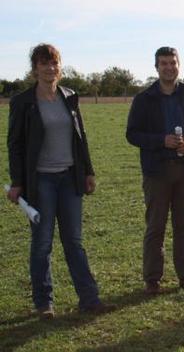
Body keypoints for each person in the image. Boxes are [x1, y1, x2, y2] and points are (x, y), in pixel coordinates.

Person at [6, 43, 113, 319]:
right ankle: (44, 303)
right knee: (42, 243)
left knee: (74, 241)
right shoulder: (23, 102)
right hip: (40, 181)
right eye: (44, 64)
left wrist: (88, 171)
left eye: (54, 63)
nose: (50, 68)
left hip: (69, 179)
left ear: (59, 68)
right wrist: (17, 182)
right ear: (35, 69)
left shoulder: (70, 97)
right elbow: (15, 144)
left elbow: (81, 137)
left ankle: (89, 299)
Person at [126, 46, 184, 295]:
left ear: (178, 65)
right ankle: (152, 279)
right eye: (163, 63)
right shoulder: (144, 99)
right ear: (156, 67)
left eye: (172, 63)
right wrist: (160, 141)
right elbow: (132, 134)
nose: (168, 67)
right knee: (155, 226)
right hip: (157, 172)